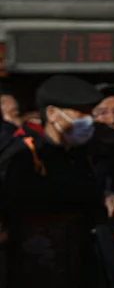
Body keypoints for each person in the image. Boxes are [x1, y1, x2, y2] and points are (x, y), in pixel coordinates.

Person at [0, 75, 105, 215]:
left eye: (90, 113)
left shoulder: (82, 153)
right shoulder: (25, 153)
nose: (89, 120)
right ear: (52, 113)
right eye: (80, 114)